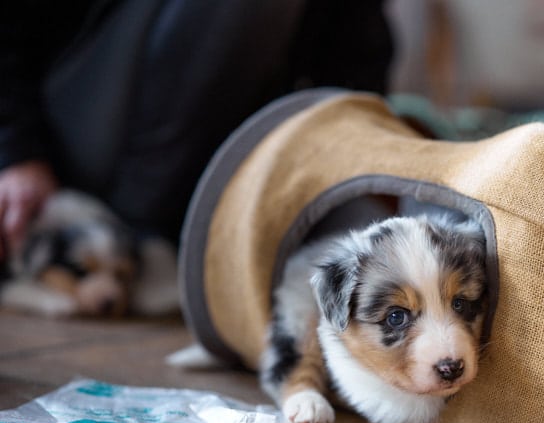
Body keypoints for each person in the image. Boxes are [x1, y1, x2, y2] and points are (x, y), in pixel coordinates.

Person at [0, 0, 394, 260]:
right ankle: (142, 245)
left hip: (213, 154)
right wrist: (15, 150)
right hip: (66, 132)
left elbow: (356, 63)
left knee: (367, 241)